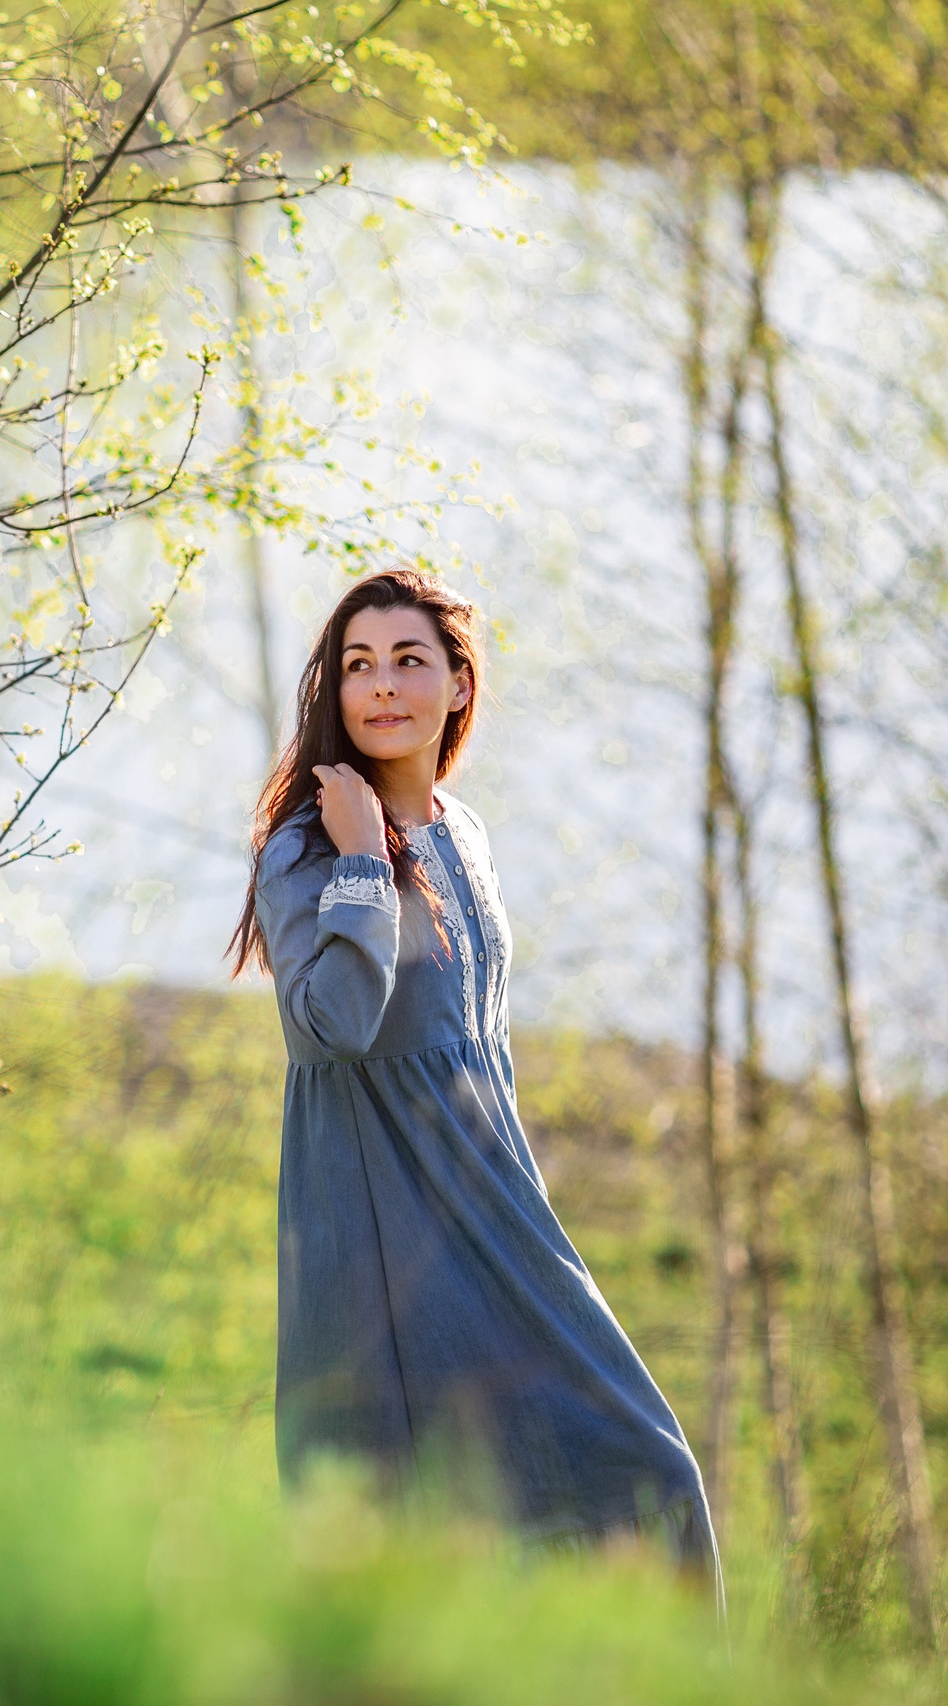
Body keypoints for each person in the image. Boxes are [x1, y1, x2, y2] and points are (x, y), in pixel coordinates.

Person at [227, 568, 720, 1585]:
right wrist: (365, 862)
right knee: (413, 1518)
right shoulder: (304, 849)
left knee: (644, 1469)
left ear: (459, 683)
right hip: (378, 1215)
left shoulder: (465, 832)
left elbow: (476, 1038)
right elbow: (330, 1028)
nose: (381, 687)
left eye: (409, 660)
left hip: (497, 1205)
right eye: (357, 664)